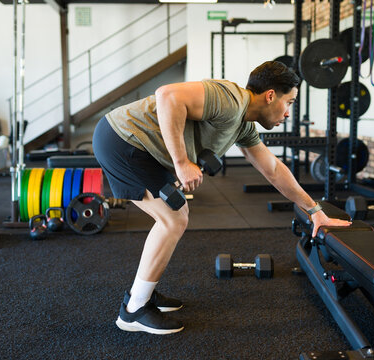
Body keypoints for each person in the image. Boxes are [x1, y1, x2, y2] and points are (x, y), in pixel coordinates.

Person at [92, 60, 351, 335]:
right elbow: (167, 95)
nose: (288, 113)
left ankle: (142, 294)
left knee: (175, 217)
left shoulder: (243, 126)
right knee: (173, 219)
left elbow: (273, 170)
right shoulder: (230, 99)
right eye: (289, 102)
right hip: (123, 140)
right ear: (271, 95)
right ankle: (133, 311)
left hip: (133, 145)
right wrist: (181, 162)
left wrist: (314, 210)